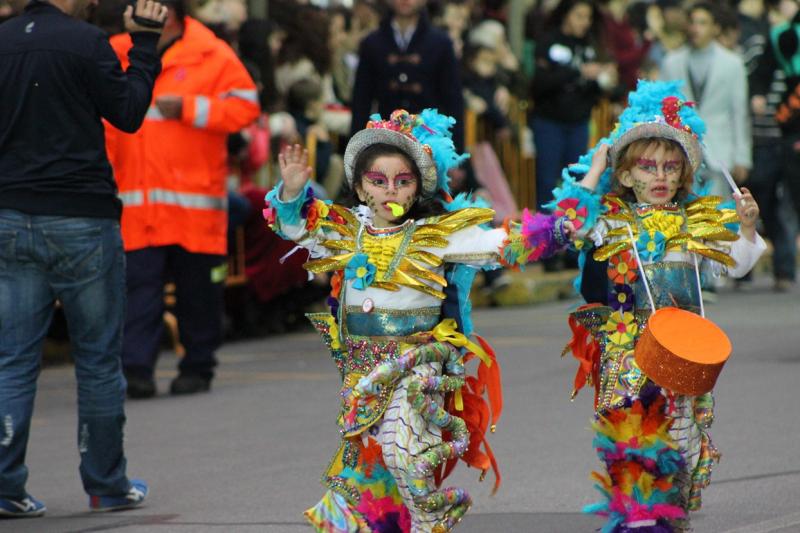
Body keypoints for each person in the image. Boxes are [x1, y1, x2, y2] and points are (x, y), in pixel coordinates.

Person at [265, 109, 566, 532]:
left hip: (417, 365)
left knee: (401, 452)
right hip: (362, 371)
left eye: (403, 181)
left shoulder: (438, 234)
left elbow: (505, 243)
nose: (390, 190)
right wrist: (293, 192)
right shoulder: (345, 228)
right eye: (378, 180)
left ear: (418, 188)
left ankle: (430, 520)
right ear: (358, 185)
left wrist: (565, 224)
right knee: (375, 471)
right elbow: (294, 227)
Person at [551, 80, 766, 532]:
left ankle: (669, 519)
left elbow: (738, 266)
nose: (661, 177)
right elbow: (568, 226)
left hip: (683, 353)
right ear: (626, 175)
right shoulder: (611, 221)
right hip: (629, 354)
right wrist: (593, 170)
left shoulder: (695, 221)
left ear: (685, 175)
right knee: (636, 459)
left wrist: (745, 229)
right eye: (647, 168)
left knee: (682, 458)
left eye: (671, 167)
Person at [0, 0, 168, 517]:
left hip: (10, 212)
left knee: (13, 358)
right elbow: (128, 113)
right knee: (96, 360)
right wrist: (142, 45)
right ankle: (106, 484)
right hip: (81, 216)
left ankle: (6, 486)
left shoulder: (3, 39)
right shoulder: (86, 41)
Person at [104, 0, 260, 398]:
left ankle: (197, 366)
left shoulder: (212, 52)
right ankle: (135, 369)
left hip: (193, 204)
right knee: (138, 291)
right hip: (138, 204)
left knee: (198, 293)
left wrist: (191, 109)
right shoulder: (115, 50)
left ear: (168, 13)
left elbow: (246, 108)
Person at [660, 2, 751, 199]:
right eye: (692, 22)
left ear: (715, 28)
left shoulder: (732, 63)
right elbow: (662, 110)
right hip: (681, 151)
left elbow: (739, 113)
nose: (696, 28)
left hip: (720, 151)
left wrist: (742, 157)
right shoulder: (671, 62)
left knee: (718, 219)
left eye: (703, 23)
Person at [350, 0, 465, 150]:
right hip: (385, 142)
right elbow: (361, 100)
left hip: (431, 143)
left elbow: (453, 99)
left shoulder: (441, 43)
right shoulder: (372, 43)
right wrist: (356, 150)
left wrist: (455, 153)